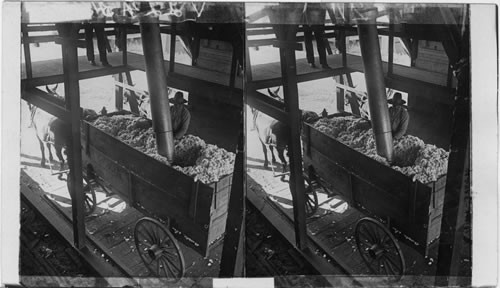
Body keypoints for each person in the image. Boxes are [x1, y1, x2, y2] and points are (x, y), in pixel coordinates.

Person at [303, 3, 329, 69]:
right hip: (310, 20)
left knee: (318, 42)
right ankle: (316, 62)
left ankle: (320, 62)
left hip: (315, 21)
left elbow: (324, 9)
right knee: (314, 41)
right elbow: (305, 9)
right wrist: (309, 21)